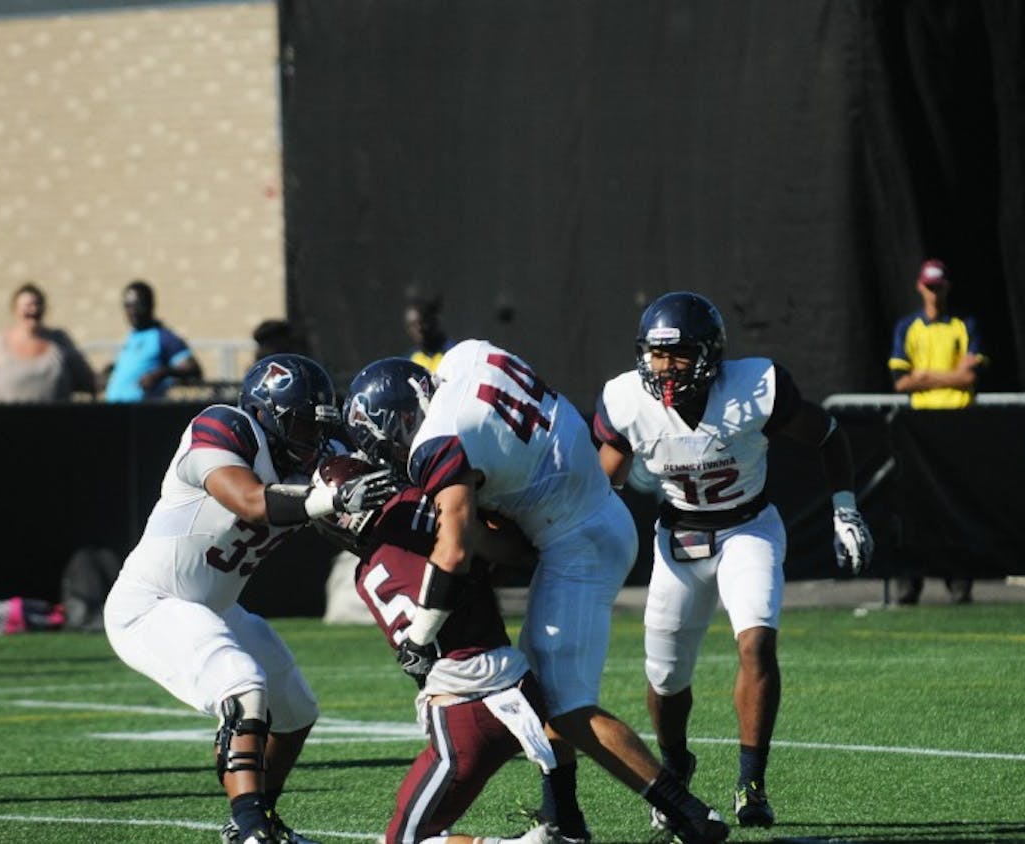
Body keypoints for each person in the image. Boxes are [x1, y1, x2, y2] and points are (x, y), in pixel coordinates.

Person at [343, 347, 732, 844]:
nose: (395, 455)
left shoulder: (434, 442)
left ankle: (690, 815)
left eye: (388, 442)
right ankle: (565, 820)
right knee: (544, 688)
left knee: (568, 707)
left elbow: (455, 551)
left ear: (399, 419)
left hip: (577, 539)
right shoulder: (466, 356)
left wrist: (418, 638)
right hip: (585, 508)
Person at [592, 292, 871, 828]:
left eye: (678, 355)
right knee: (666, 678)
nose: (665, 367)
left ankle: (751, 783)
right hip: (678, 538)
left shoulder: (754, 390)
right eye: (656, 354)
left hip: (748, 528)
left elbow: (828, 434)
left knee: (757, 641)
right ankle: (674, 766)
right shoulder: (628, 401)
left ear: (710, 356)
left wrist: (845, 508)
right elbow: (603, 480)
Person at [103, 353, 397, 844]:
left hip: (215, 608)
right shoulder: (223, 427)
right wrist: (329, 500)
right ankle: (250, 831)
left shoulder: (316, 457)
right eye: (301, 424)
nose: (314, 439)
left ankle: (259, 818)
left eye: (319, 426)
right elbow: (251, 501)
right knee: (243, 688)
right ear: (265, 413)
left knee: (296, 710)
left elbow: (349, 524)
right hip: (150, 605)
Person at [886, 258, 985, 605]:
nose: (934, 293)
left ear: (947, 287)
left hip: (957, 422)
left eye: (939, 286)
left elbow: (969, 377)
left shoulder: (963, 324)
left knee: (956, 503)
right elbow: (901, 382)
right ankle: (910, 582)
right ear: (920, 287)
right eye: (929, 286)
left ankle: (959, 581)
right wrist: (949, 374)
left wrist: (926, 377)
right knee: (916, 505)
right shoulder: (908, 328)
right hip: (920, 427)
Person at [0, 282, 97, 402]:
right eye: (28, 305)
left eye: (37, 304)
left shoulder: (60, 341)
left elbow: (88, 381)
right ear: (14, 309)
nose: (33, 309)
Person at [101, 279, 202, 402]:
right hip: (115, 411)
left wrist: (160, 374)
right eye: (128, 305)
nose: (132, 311)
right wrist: (111, 369)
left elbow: (193, 369)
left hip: (139, 415)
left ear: (150, 305)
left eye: (137, 305)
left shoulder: (164, 337)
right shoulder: (132, 336)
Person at [404, 297, 455, 374]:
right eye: (413, 325)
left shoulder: (454, 353)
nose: (419, 328)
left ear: (433, 321)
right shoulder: (409, 361)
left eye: (422, 321)